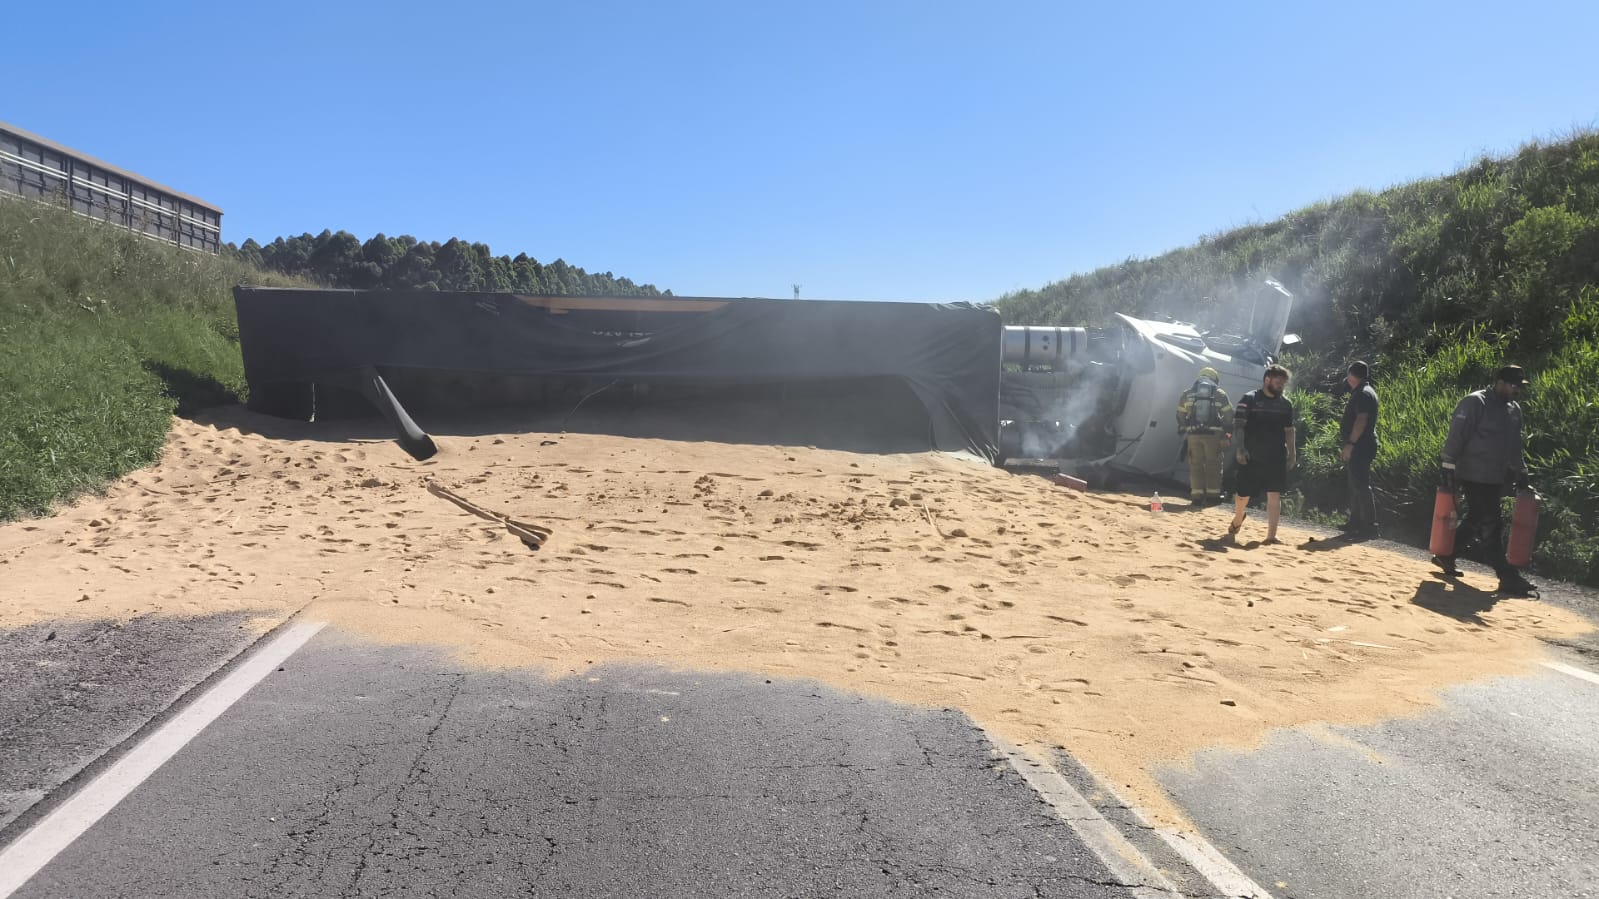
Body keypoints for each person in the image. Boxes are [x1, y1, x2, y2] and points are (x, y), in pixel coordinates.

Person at [1434, 365, 1537, 596]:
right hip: (1472, 473)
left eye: (1520, 387)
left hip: (1494, 477)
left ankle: (1446, 554)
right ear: (1499, 382)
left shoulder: (1514, 410)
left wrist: (1522, 473)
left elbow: (1514, 446)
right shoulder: (1475, 403)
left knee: (1478, 518)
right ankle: (1507, 577)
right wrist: (1447, 466)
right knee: (1492, 523)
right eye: (1514, 385)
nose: (1517, 391)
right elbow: (1456, 435)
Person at [1228, 364, 1296, 543]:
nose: (1281, 386)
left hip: (1276, 456)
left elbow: (1289, 430)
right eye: (1278, 382)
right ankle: (1238, 518)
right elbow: (1239, 425)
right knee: (1243, 494)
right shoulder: (1249, 399)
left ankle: (1272, 536)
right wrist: (1240, 448)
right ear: (1267, 380)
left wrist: (1292, 453)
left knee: (1274, 493)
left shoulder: (1285, 404)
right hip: (1251, 455)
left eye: (1283, 383)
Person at [1175, 366, 1233, 505]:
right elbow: (1229, 415)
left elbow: (1180, 415)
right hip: (1213, 435)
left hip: (1193, 436)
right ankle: (1212, 497)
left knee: (1196, 464)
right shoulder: (1219, 394)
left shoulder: (1187, 394)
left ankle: (1196, 496)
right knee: (1213, 464)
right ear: (1214, 379)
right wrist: (1226, 434)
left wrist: (1186, 427)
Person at [1338, 361, 1380, 539]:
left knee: (1361, 485)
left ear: (1350, 376)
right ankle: (1355, 522)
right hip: (1363, 444)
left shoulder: (1362, 394)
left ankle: (1369, 526)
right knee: (1356, 483)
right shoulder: (1365, 391)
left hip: (1361, 445)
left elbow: (1361, 420)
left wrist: (1350, 444)